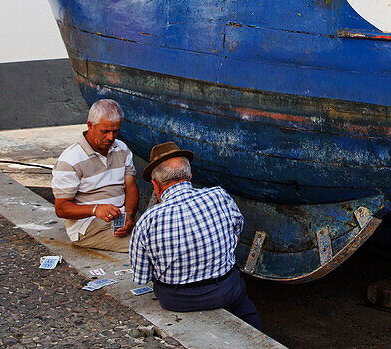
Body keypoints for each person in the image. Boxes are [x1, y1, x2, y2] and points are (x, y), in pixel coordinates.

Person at [130, 143, 262, 331]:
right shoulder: (219, 196)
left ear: (156, 185)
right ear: (190, 176)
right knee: (248, 313)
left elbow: (141, 277)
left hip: (177, 300)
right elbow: (237, 235)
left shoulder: (147, 220)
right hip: (225, 291)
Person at [51, 99, 139, 251]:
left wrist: (130, 215)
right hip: (88, 226)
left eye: (115, 131)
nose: (111, 137)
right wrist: (95, 209)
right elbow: (61, 209)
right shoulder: (70, 160)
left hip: (121, 216)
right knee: (143, 246)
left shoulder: (122, 149)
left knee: (164, 232)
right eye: (105, 131)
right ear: (90, 125)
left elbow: (131, 187)